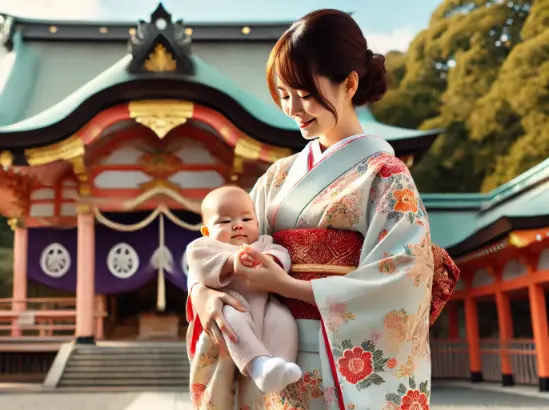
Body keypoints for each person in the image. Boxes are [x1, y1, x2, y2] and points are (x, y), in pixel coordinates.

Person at [185, 9, 459, 410]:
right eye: (283, 95)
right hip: (266, 356)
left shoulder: (386, 176)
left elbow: (401, 281)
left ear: (349, 83)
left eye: (306, 93)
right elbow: (222, 244)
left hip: (338, 360)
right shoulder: (277, 178)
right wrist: (202, 294)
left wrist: (287, 287)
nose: (293, 108)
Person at [186, 186, 301, 393]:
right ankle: (258, 365)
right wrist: (231, 260)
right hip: (232, 302)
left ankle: (282, 366)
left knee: (283, 320)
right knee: (232, 321)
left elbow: (281, 253)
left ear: (257, 223)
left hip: (266, 305)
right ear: (206, 231)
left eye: (246, 220)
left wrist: (271, 260)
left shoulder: (264, 243)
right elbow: (198, 265)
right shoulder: (204, 247)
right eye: (224, 221)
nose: (238, 226)